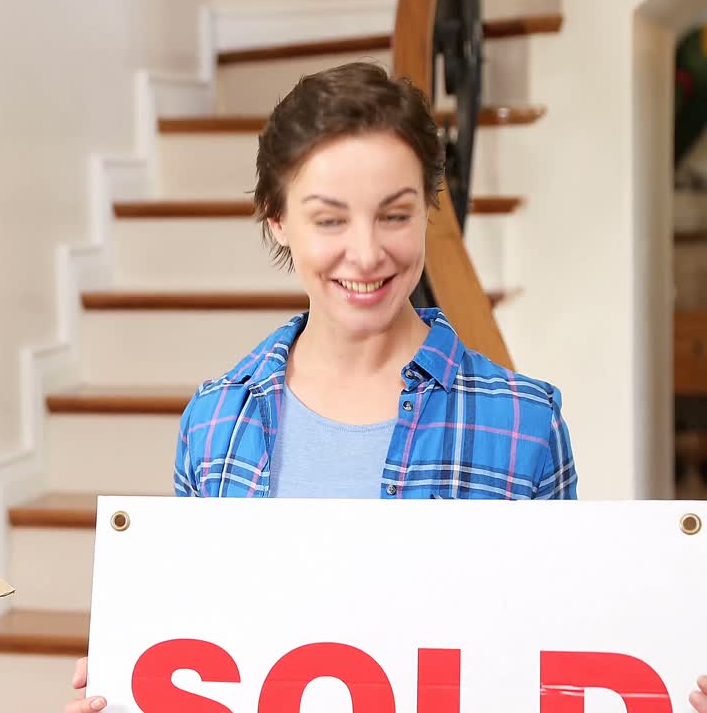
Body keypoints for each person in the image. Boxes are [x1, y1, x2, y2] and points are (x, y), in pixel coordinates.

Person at [62, 61, 707, 713]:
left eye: (395, 215)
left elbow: (558, 662)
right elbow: (205, 647)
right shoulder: (215, 421)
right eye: (330, 220)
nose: (367, 254)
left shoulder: (525, 424)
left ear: (428, 210)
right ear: (277, 219)